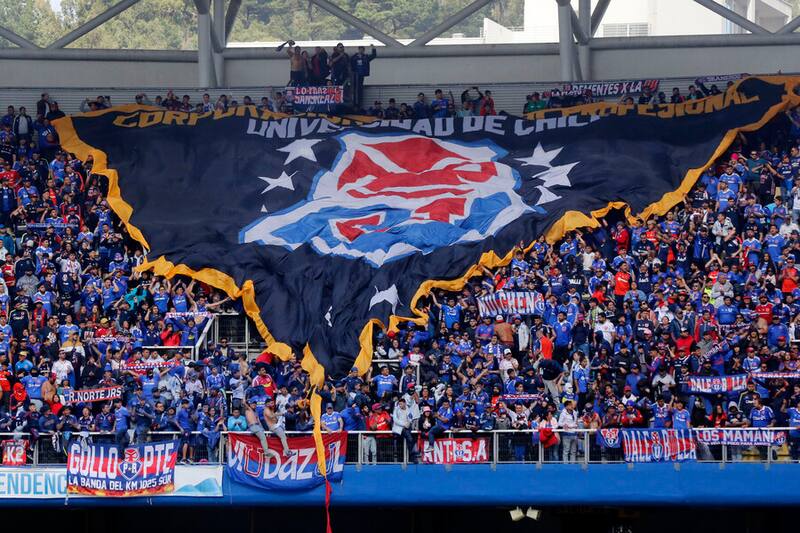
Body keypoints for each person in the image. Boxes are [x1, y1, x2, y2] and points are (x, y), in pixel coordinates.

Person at [350, 44, 376, 109]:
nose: (361, 50)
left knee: (360, 89)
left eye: (362, 49)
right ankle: (355, 103)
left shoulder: (365, 57)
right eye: (360, 49)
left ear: (364, 50)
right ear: (358, 50)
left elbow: (373, 56)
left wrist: (373, 49)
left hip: (362, 74)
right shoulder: (354, 57)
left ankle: (359, 104)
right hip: (355, 75)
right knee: (355, 89)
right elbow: (350, 63)